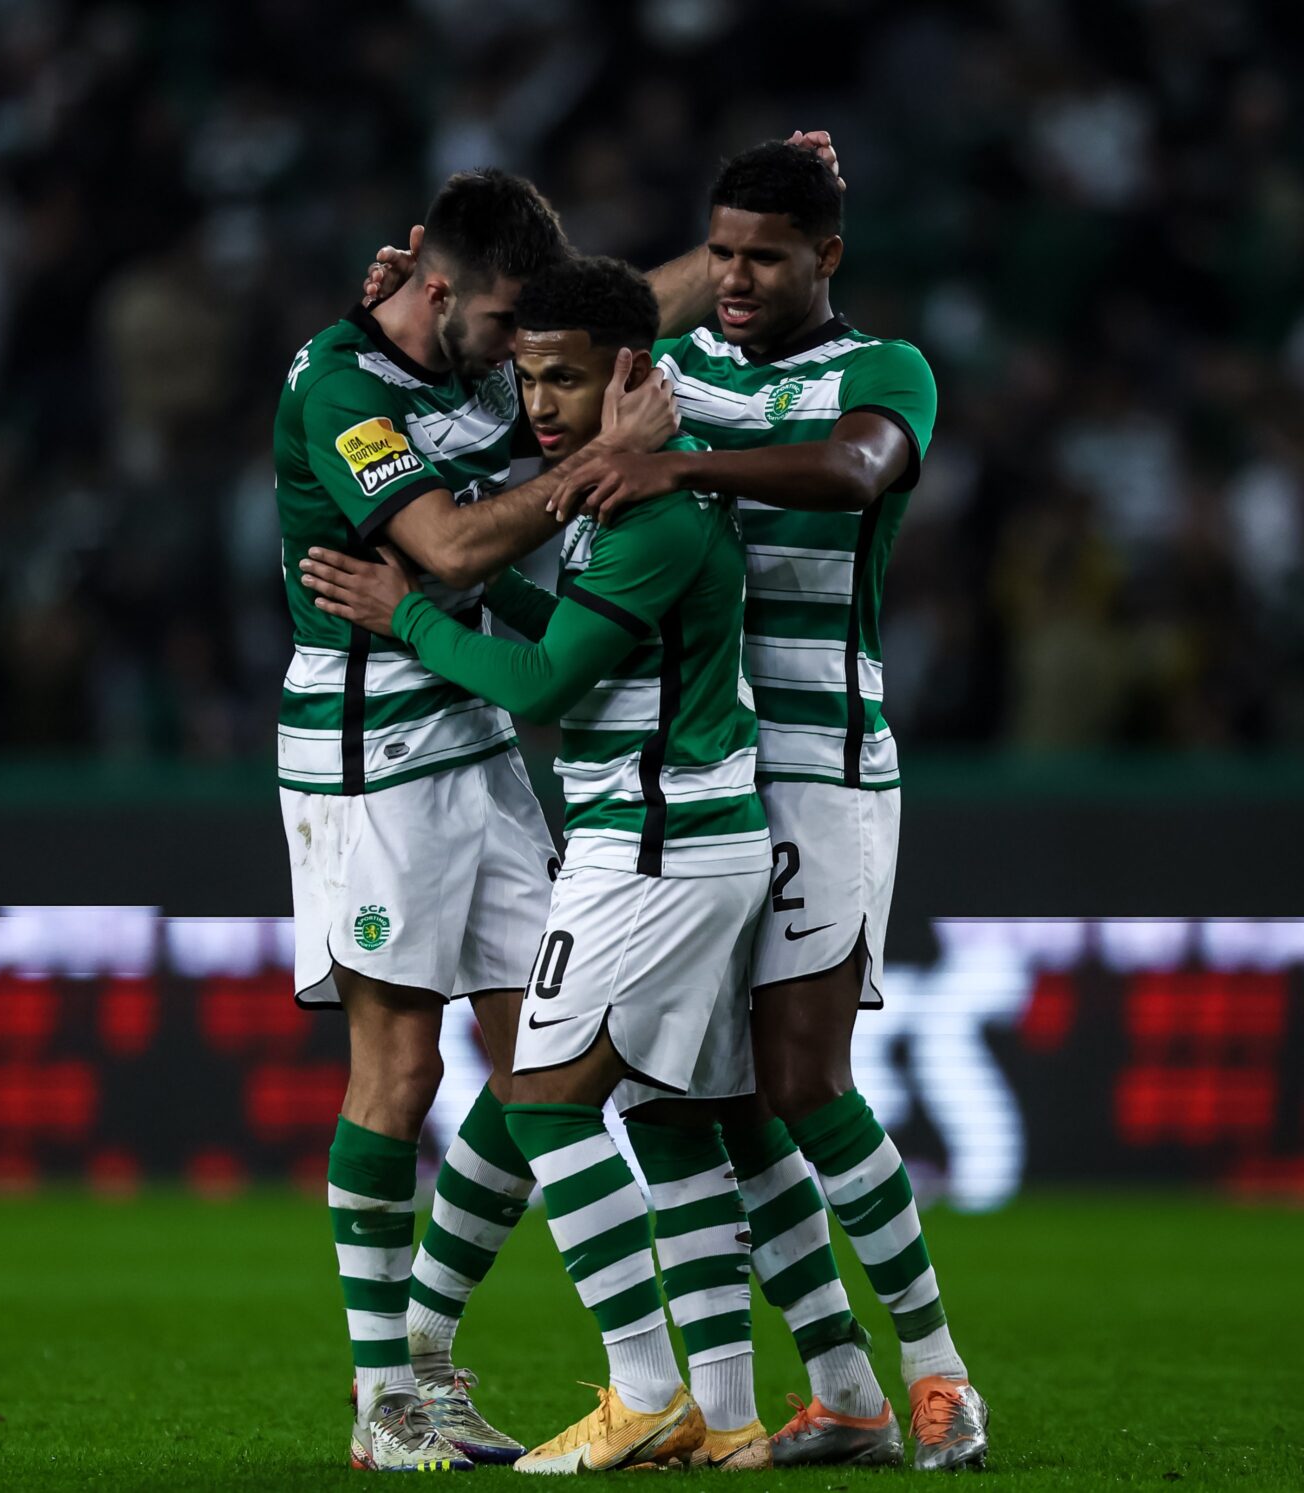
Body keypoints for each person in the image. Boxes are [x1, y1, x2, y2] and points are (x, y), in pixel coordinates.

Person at [274, 162, 745, 1471]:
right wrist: (605, 458)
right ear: (436, 293)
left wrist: (735, 250)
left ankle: (431, 1358)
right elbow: (451, 550)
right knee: (402, 1072)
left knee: (542, 1062)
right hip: (371, 752)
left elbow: (617, 314)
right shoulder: (345, 390)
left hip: (477, 737)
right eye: (501, 330)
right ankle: (386, 1396)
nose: (519, 362)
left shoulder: (483, 352)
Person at [560, 139, 987, 1472]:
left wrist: (678, 470)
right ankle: (845, 1389)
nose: (737, 279)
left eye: (767, 256)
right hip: (703, 774)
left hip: (823, 767)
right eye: (722, 253)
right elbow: (579, 329)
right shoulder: (673, 369)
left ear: (829, 258)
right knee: (720, 1103)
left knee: (804, 1081)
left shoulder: (884, 370)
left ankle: (939, 1375)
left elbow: (856, 470)